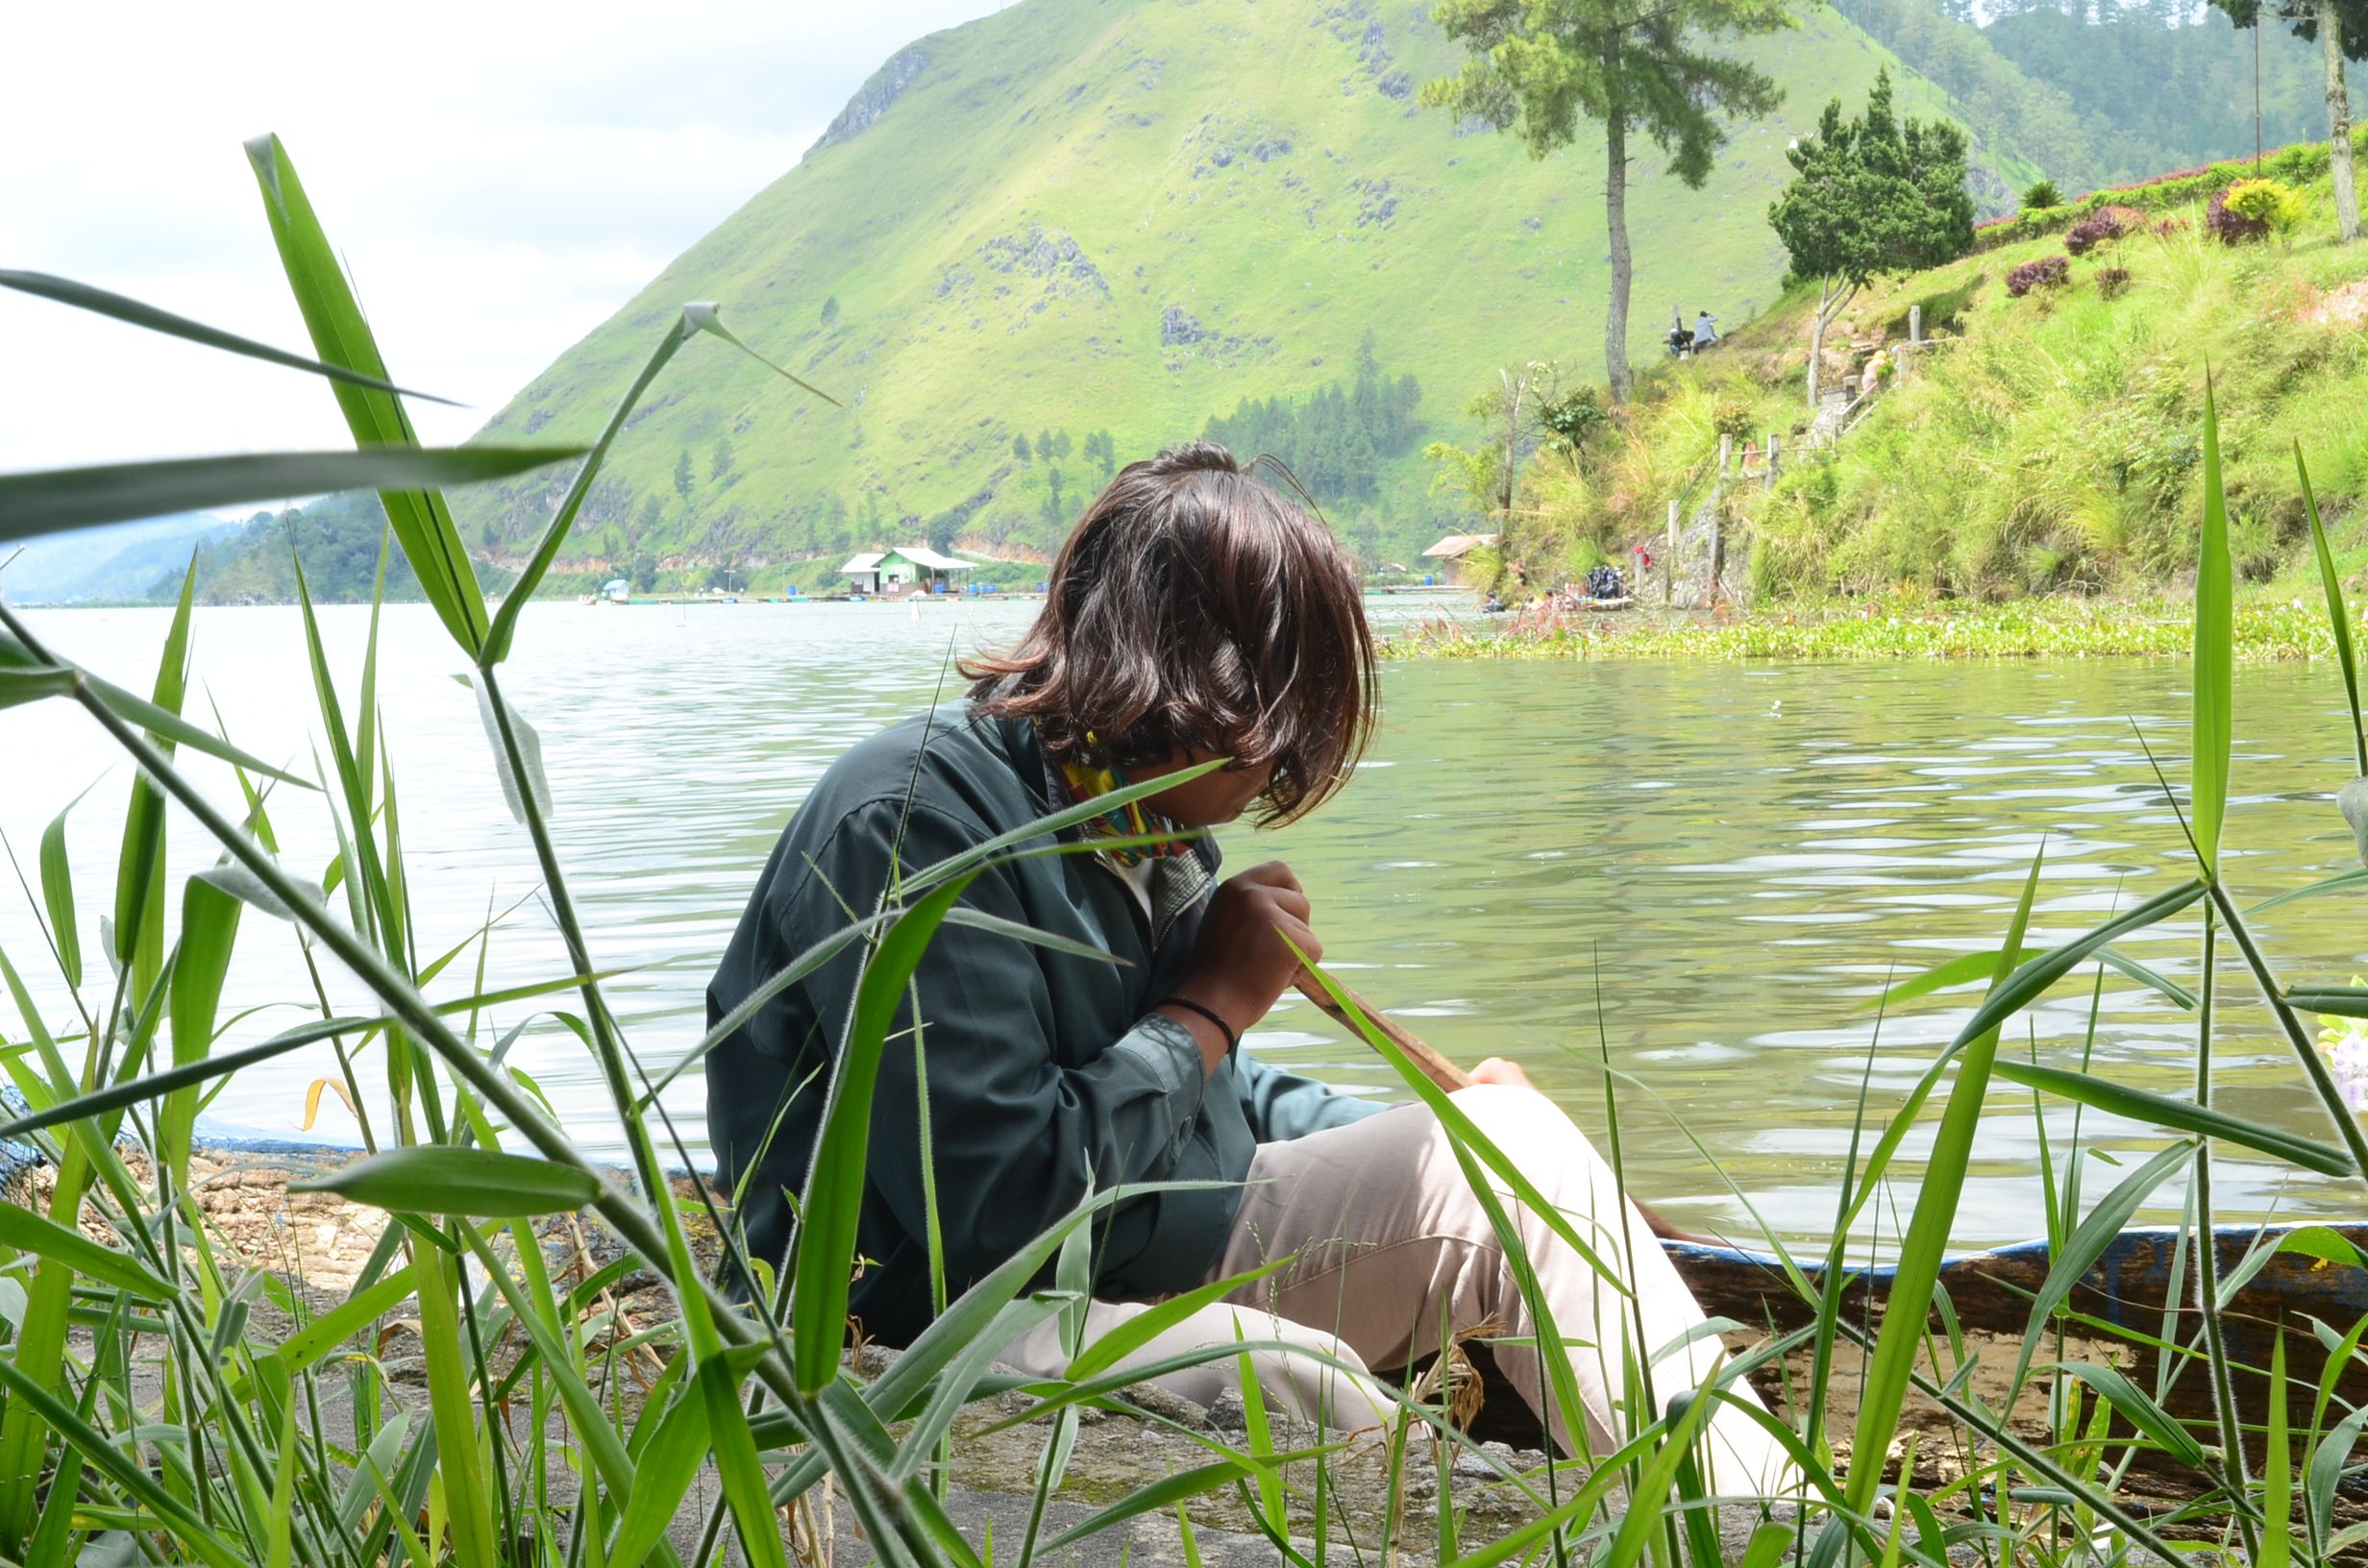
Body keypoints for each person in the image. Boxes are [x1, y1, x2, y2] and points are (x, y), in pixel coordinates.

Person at [703, 442, 1790, 1491]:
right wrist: (1211, 1005)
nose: (1282, 764)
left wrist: (1440, 1123)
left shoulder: (1140, 818)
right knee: (1302, 1385)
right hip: (907, 1326)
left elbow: (1216, 1099)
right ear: (1179, 681)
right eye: (1277, 720)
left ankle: (1769, 1526)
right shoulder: (918, 832)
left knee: (1508, 1156)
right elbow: (1002, 1214)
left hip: (1139, 1246)